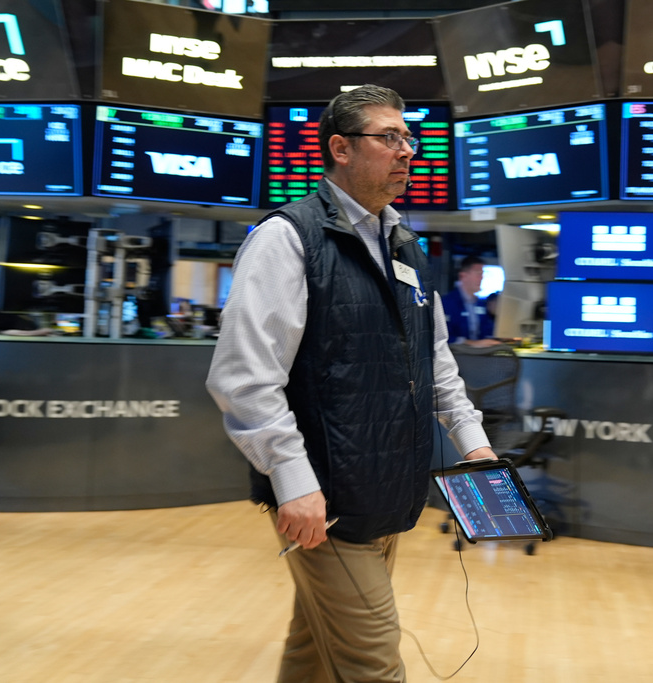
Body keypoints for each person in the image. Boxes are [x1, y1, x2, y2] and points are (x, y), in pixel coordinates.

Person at [206, 84, 495, 682]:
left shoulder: (407, 246)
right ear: (340, 148)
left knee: (313, 649)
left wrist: (475, 444)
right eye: (389, 138)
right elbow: (244, 378)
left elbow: (434, 361)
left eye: (408, 138)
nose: (407, 151)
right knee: (373, 663)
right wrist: (292, 480)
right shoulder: (287, 238)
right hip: (328, 500)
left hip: (388, 490)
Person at [440, 255, 496, 346]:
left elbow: (487, 332)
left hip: (480, 356)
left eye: (482, 274)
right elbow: (444, 338)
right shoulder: (446, 303)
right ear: (463, 276)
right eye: (478, 273)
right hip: (457, 356)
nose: (481, 278)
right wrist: (473, 344)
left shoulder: (480, 304)